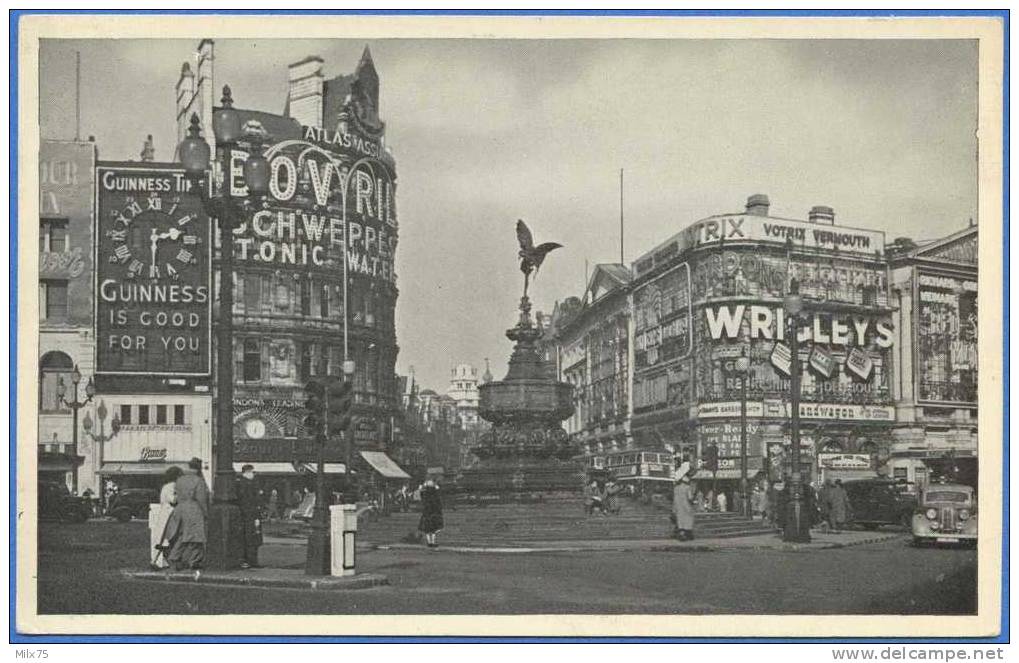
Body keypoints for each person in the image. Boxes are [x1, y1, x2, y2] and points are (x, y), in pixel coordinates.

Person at [164, 458, 209, 573]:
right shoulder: (198, 481)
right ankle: (193, 561)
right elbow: (201, 499)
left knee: (182, 536)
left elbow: (177, 496)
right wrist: (205, 512)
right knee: (197, 537)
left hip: (180, 509)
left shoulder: (180, 480)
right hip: (194, 509)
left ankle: (174, 558)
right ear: (198, 467)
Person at [151, 466, 182, 569]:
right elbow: (173, 500)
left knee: (162, 539)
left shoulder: (165, 486)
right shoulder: (173, 486)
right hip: (171, 514)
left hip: (164, 513)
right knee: (172, 537)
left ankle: (156, 560)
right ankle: (171, 561)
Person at [236, 464, 263, 569]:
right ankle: (250, 560)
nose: (253, 474)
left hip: (249, 515)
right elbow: (252, 500)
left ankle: (249, 560)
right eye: (252, 472)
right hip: (249, 515)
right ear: (247, 472)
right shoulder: (246, 484)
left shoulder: (244, 483)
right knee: (250, 538)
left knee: (251, 538)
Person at [418, 478, 444, 548]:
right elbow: (438, 498)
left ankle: (430, 542)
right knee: (433, 529)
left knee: (428, 529)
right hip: (433, 512)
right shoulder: (435, 493)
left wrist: (422, 486)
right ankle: (432, 542)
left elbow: (421, 493)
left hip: (427, 512)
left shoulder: (425, 493)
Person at [672, 475, 697, 541]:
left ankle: (681, 533)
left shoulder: (676, 488)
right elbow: (690, 498)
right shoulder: (688, 488)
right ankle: (687, 534)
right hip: (686, 507)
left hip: (678, 506)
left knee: (680, 521)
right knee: (688, 520)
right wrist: (694, 501)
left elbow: (674, 498)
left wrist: (674, 508)